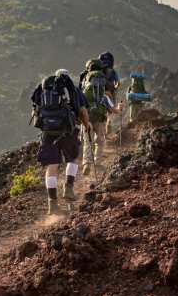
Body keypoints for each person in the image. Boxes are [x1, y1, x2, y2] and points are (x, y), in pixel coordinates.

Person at [31, 69, 90, 214]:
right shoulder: (72, 89)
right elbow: (83, 111)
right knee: (73, 159)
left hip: (47, 133)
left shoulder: (43, 89)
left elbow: (35, 110)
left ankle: (53, 204)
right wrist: (87, 126)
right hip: (67, 131)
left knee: (52, 167)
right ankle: (68, 187)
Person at [80, 58, 114, 175]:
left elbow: (79, 96)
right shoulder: (103, 78)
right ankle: (98, 161)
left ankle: (87, 163)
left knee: (87, 141)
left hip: (87, 116)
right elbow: (110, 92)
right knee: (99, 140)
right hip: (100, 115)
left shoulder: (85, 78)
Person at [99, 52, 120, 136]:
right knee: (110, 110)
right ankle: (108, 126)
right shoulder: (113, 71)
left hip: (100, 92)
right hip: (110, 92)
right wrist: (115, 87)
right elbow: (118, 82)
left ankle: (103, 129)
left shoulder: (99, 71)